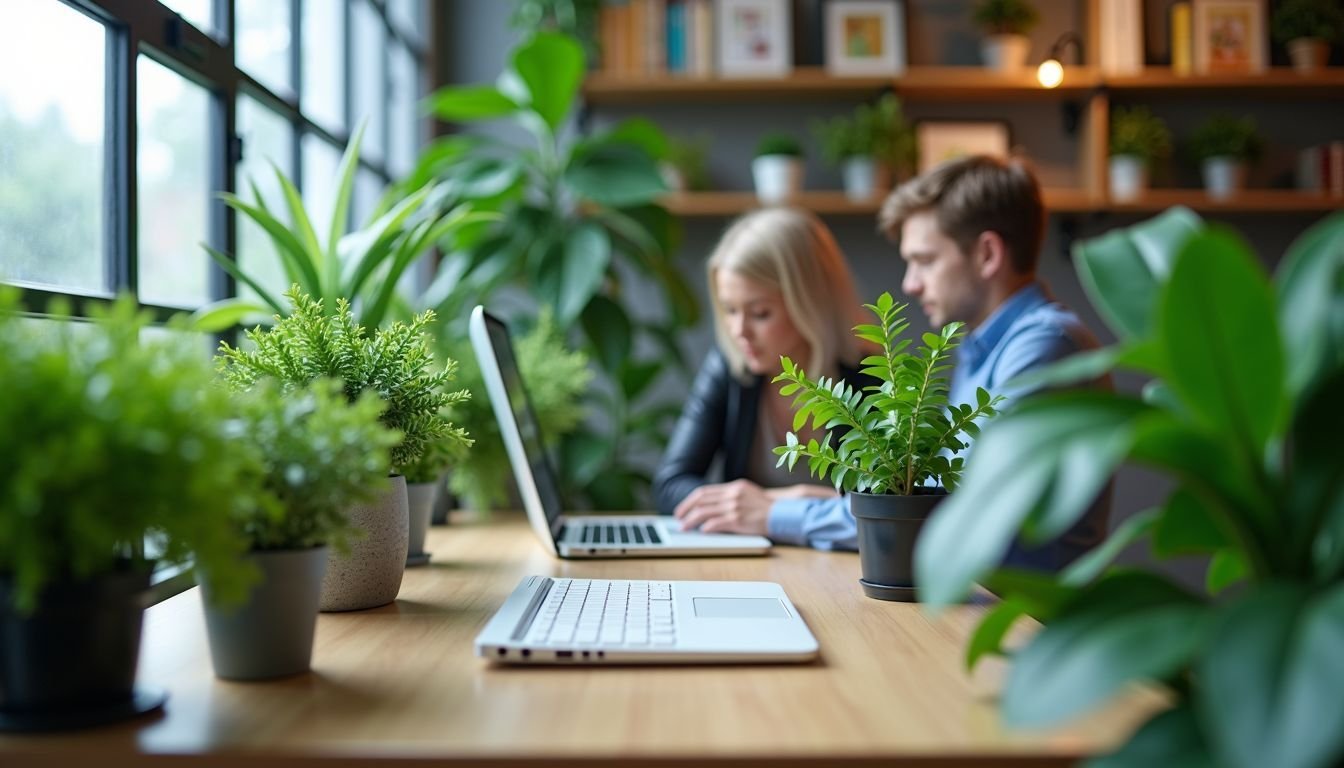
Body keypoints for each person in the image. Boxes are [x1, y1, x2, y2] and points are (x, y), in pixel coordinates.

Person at [674, 155, 1109, 571]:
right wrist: (820, 504)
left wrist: (777, 514)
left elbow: (946, 517)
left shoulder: (1044, 349)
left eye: (924, 261)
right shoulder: (984, 352)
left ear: (987, 255)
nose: (910, 284)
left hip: (1024, 624)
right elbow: (923, 501)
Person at [653, 207, 875, 527]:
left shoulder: (872, 381)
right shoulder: (731, 367)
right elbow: (670, 485)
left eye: (759, 313)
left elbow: (895, 509)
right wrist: (769, 503)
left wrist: (775, 505)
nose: (739, 331)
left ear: (810, 302)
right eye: (729, 310)